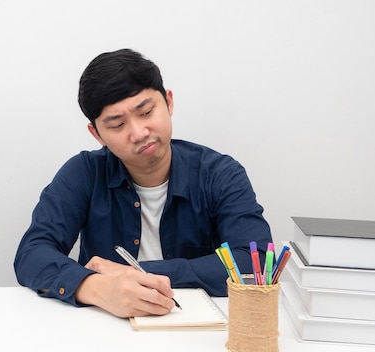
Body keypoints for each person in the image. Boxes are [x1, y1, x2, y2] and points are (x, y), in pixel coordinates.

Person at [14, 48, 273, 318]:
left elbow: (255, 265)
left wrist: (141, 273)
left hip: (197, 327)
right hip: (104, 328)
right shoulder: (84, 173)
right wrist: (99, 287)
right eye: (117, 125)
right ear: (97, 134)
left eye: (146, 112)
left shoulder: (220, 174)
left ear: (169, 102)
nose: (139, 133)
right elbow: (32, 254)